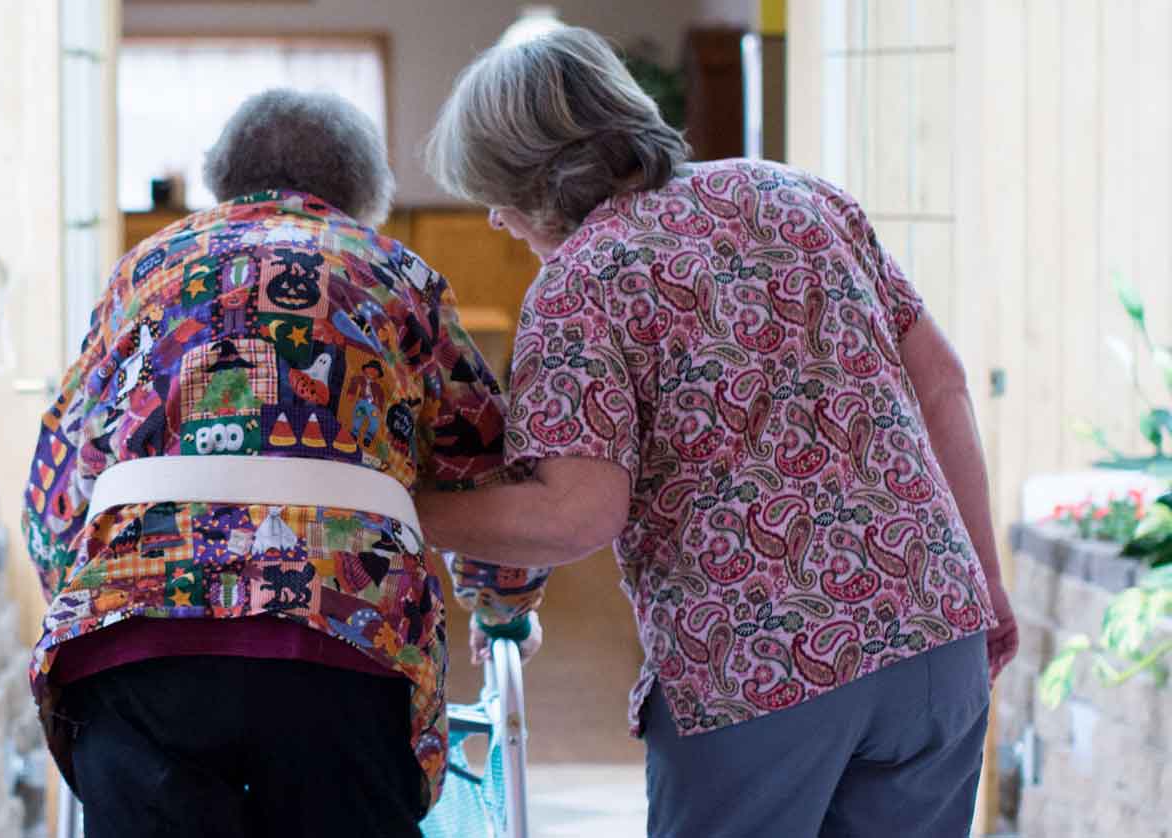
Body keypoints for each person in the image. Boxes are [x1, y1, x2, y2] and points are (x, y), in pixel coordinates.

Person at [420, 26, 1019, 838]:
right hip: (934, 632)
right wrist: (982, 575)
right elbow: (943, 385)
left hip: (762, 667)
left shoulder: (582, 280)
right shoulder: (804, 197)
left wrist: (395, 509)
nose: (493, 217)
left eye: (495, 187)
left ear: (537, 174)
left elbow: (574, 513)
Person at [23, 88, 545, 838]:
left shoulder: (141, 272)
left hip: (134, 644)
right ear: (364, 193)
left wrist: (86, 602)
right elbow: (486, 466)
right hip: (342, 643)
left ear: (222, 180)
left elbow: (55, 485)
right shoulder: (397, 276)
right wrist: (502, 609)